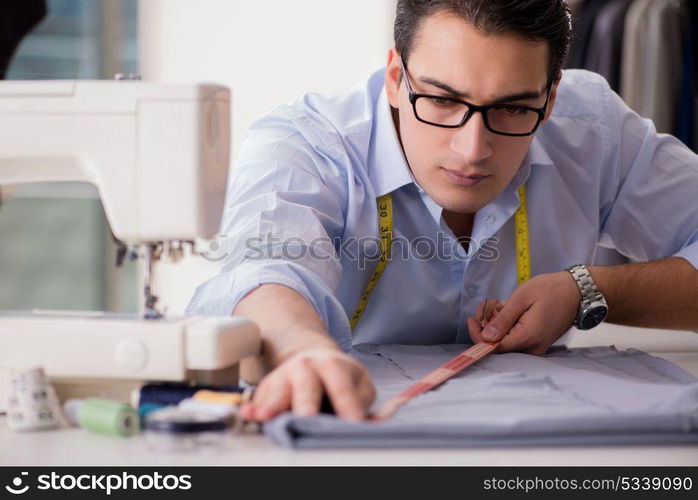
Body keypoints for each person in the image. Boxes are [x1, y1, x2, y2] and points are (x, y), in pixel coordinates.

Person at [186, 0, 698, 423]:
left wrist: (588, 290)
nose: (472, 149)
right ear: (394, 77)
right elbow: (266, 270)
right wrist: (301, 352)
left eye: (514, 108)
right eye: (441, 100)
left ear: (551, 98)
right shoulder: (306, 143)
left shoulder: (593, 128)